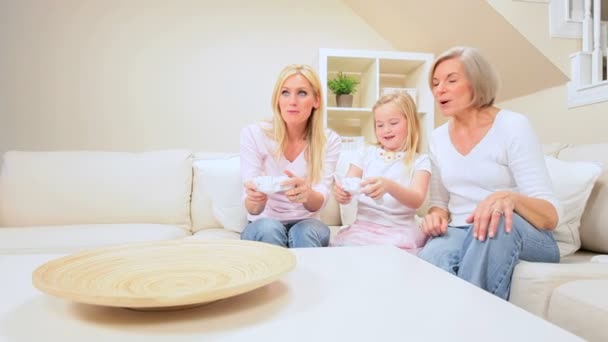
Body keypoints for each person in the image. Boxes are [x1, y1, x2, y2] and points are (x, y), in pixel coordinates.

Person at [418, 47, 561, 299]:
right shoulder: (438, 138)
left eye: (451, 80)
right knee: (433, 254)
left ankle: (473, 326)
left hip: (519, 231)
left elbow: (549, 216)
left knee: (495, 221)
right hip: (460, 229)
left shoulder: (513, 125)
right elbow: (439, 204)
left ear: (477, 82)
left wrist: (511, 199)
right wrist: (434, 216)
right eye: (435, 83)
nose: (439, 89)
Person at [240, 64, 341, 248]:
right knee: (269, 228)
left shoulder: (329, 140)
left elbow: (318, 202)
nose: (292, 101)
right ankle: (276, 277)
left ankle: (307, 277)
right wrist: (255, 199)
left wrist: (307, 194)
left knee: (306, 231)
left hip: (307, 223)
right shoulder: (254, 134)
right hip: (264, 222)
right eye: (285, 92)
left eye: (302, 93)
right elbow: (253, 209)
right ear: (277, 99)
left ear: (316, 100)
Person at [331, 93, 431, 254]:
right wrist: (342, 193)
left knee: (390, 255)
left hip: (399, 230)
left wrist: (390, 186)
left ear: (410, 123)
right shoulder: (365, 152)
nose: (386, 130)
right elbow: (349, 182)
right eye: (379, 125)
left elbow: (417, 199)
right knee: (348, 250)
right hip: (363, 228)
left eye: (393, 123)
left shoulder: (420, 161)